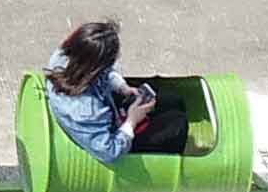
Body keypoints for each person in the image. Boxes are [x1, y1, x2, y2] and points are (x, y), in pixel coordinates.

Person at [42, 19, 189, 163]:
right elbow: (109, 152)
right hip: (109, 132)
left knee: (174, 100)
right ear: (97, 68)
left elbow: (106, 72)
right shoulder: (88, 111)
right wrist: (132, 121)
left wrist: (122, 88)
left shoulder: (64, 57)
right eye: (112, 59)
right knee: (178, 125)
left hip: (103, 104)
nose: (117, 59)